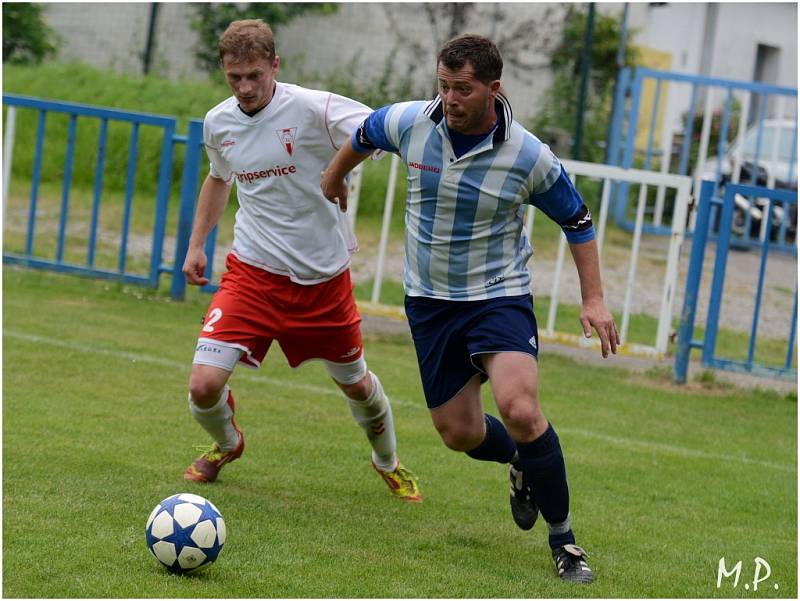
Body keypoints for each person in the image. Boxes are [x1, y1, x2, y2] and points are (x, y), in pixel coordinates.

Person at [321, 34, 619, 583]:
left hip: (497, 296)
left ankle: (566, 542)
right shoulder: (411, 123)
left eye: (463, 89)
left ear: (492, 89)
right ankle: (519, 464)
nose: (451, 99)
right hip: (431, 303)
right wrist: (335, 176)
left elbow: (577, 220)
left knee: (520, 408)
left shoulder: (528, 156)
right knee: (457, 433)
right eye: (444, 86)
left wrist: (594, 299)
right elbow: (362, 133)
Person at [181, 19, 421, 504]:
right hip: (252, 272)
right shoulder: (219, 121)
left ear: (275, 65)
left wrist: (336, 171)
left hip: (322, 280)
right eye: (234, 78)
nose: (245, 88)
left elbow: (380, 127)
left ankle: (387, 462)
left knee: (357, 386)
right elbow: (218, 178)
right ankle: (228, 445)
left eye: (254, 75)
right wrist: (196, 244)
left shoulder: (316, 108)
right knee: (204, 385)